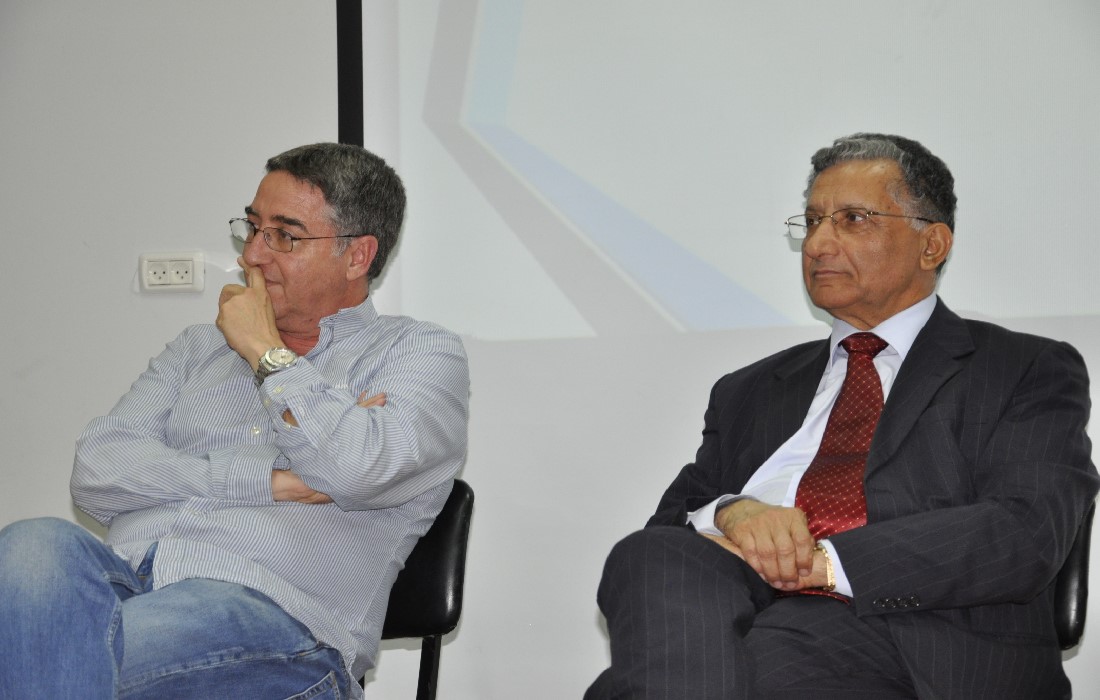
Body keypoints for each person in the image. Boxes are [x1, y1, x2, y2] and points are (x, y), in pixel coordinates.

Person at [585, 133, 1098, 699]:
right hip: (736, 614)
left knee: (658, 683)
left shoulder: (1020, 367)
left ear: (932, 245)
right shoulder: (749, 389)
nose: (817, 244)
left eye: (853, 219)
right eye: (812, 222)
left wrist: (822, 563)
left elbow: (1026, 530)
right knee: (649, 556)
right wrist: (734, 511)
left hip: (918, 639)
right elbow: (670, 524)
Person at [0, 143, 469, 699]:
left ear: (357, 256)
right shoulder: (198, 349)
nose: (252, 255)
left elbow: (357, 468)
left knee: (52, 653)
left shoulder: (417, 353)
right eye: (252, 228)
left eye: (284, 236)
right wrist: (271, 481)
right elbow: (97, 471)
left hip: (279, 629)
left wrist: (269, 355)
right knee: (34, 546)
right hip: (127, 583)